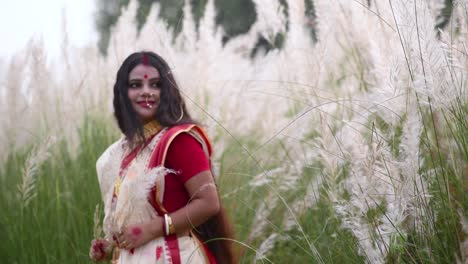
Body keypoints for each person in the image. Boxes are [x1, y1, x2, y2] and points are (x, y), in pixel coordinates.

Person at [89, 51, 235, 263]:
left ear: (166, 91)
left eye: (155, 85)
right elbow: (133, 214)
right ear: (123, 92)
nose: (146, 92)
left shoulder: (179, 140)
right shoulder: (121, 149)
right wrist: (112, 244)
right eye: (136, 85)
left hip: (173, 256)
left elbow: (209, 203)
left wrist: (153, 228)